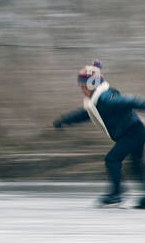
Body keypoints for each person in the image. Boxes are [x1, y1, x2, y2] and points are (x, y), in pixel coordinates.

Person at [53, 60, 145, 208]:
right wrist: (65, 120)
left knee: (112, 160)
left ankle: (116, 194)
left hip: (133, 133)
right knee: (135, 165)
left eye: (83, 86)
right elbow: (85, 114)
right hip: (134, 131)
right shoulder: (96, 101)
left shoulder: (106, 98)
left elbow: (129, 100)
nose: (81, 89)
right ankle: (120, 193)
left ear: (91, 84)